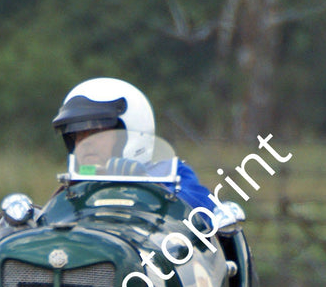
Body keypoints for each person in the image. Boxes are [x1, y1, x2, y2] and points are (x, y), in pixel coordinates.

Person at [50, 77, 230, 217]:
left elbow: (203, 210)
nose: (84, 143)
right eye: (77, 135)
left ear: (132, 132)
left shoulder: (169, 173)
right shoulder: (74, 185)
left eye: (96, 133)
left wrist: (148, 184)